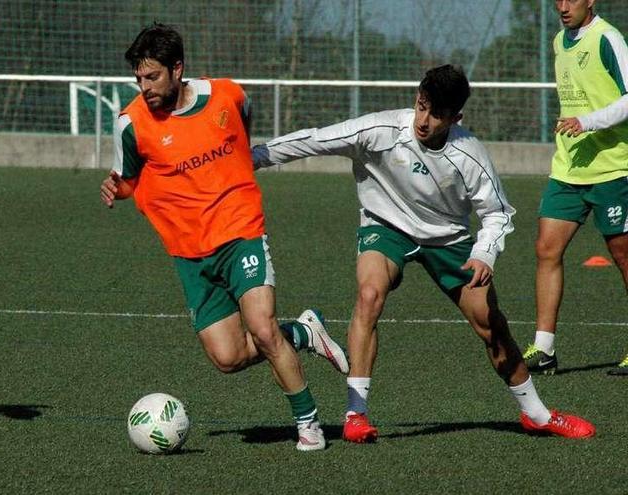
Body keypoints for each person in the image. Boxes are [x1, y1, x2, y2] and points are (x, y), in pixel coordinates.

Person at [253, 65, 596, 442]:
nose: (423, 120)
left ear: (456, 118)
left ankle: (537, 414)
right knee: (369, 295)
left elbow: (497, 212)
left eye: (435, 115)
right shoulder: (381, 130)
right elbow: (315, 140)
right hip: (386, 228)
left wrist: (484, 253)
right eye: (421, 106)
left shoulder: (470, 155)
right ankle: (356, 414)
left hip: (448, 240)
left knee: (490, 325)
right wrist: (252, 157)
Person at [99, 23, 349, 451]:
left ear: (178, 69)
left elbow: (242, 131)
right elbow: (129, 179)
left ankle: (309, 426)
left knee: (264, 330)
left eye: (153, 76)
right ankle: (307, 333)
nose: (145, 87)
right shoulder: (131, 124)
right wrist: (115, 189)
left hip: (240, 230)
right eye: (138, 79)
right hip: (189, 252)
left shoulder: (228, 96)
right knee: (228, 358)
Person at [525, 0, 628, 377]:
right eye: (559, 0)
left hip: (613, 169)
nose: (564, 7)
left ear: (591, 1)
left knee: (623, 257)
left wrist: (588, 121)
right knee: (546, 249)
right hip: (568, 168)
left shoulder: (608, 39)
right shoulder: (557, 41)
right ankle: (544, 348)